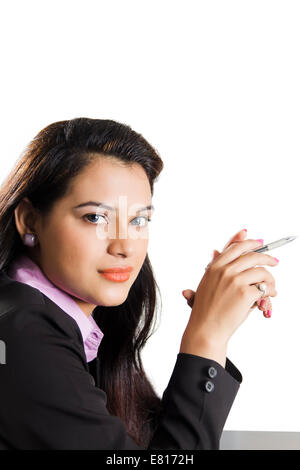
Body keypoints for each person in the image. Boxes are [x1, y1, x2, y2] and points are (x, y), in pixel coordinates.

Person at [0, 118, 278, 450]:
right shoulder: (23, 333)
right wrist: (207, 336)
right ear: (29, 220)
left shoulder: (53, 318)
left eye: (138, 220)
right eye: (95, 217)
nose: (125, 246)